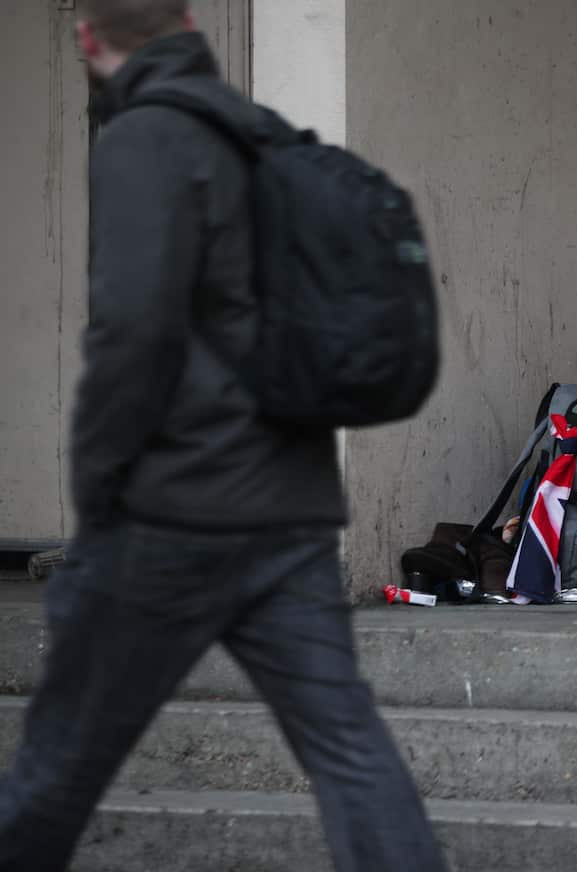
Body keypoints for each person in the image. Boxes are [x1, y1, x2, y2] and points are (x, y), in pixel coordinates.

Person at [0, 2, 447, 869]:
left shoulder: (145, 139)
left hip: (173, 518)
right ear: (188, 22)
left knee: (57, 768)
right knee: (351, 755)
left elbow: (132, 333)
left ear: (90, 37)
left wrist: (97, 495)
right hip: (291, 510)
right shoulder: (261, 135)